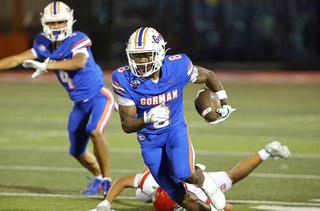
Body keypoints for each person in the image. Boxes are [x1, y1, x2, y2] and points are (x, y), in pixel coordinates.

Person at [109, 27, 237, 210]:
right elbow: (126, 125)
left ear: (160, 52)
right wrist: (146, 118)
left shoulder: (177, 66)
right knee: (177, 195)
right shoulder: (124, 78)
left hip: (174, 130)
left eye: (146, 55)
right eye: (136, 56)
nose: (141, 61)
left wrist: (224, 103)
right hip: (149, 141)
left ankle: (204, 180)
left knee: (185, 172)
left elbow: (208, 75)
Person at [0, 1, 116, 196]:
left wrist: (48, 66)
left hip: (99, 96)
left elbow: (80, 62)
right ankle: (98, 178)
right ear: (45, 24)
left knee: (95, 131)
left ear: (70, 22)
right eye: (53, 23)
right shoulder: (43, 43)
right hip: (78, 104)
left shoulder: (78, 39)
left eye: (60, 22)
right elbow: (17, 59)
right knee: (77, 151)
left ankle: (107, 181)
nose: (56, 27)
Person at [91, 141, 291, 211]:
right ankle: (267, 151)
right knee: (144, 191)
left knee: (231, 178)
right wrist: (105, 204)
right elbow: (123, 182)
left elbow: (228, 207)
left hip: (195, 176)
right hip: (175, 177)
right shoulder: (151, 184)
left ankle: (268, 150)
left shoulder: (196, 192)